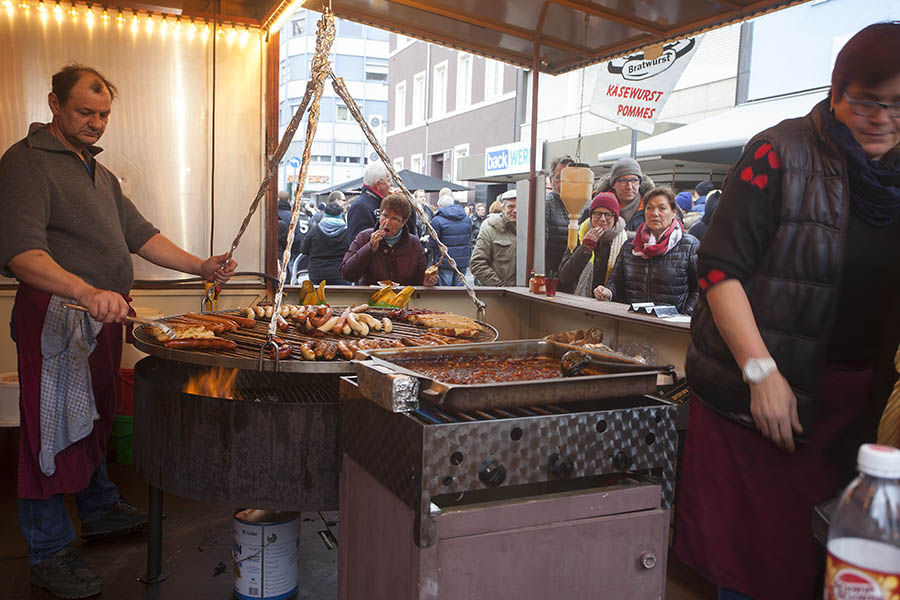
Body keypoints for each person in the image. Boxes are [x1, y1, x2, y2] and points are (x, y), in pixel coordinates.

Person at [675, 23, 900, 600]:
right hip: (764, 405)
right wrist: (760, 370)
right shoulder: (778, 152)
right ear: (836, 90)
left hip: (865, 410)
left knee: (850, 573)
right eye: (868, 100)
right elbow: (720, 269)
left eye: (899, 104)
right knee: (760, 573)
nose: (883, 117)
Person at [0, 64, 237, 598]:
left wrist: (200, 266)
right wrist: (84, 291)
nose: (96, 123)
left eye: (104, 114)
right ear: (54, 104)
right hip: (56, 319)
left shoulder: (98, 174)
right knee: (51, 433)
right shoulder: (27, 163)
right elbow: (22, 253)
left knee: (98, 414)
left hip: (104, 316)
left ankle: (99, 505)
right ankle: (48, 550)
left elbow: (141, 236)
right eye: (85, 112)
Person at [593, 187, 699, 314]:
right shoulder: (630, 246)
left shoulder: (690, 246)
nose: (655, 213)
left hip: (673, 326)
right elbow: (615, 283)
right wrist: (607, 292)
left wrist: (685, 316)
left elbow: (699, 290)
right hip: (633, 322)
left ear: (673, 212)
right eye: (650, 208)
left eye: (662, 208)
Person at [340, 194, 438, 286]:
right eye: (385, 216)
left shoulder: (413, 243)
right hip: (371, 300)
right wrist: (369, 248)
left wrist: (425, 281)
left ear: (403, 222)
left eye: (394, 219)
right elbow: (347, 274)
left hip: (401, 300)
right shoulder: (364, 237)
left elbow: (418, 279)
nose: (387, 223)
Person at [558, 192, 627, 296]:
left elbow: (625, 283)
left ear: (615, 217)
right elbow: (565, 276)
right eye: (597, 213)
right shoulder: (579, 234)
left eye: (608, 214)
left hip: (609, 304)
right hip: (580, 302)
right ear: (591, 215)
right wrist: (586, 247)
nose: (602, 219)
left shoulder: (624, 241)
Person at [346, 162, 415, 244]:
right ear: (379, 184)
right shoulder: (360, 207)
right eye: (389, 181)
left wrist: (405, 204)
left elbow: (410, 232)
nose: (392, 185)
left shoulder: (387, 203)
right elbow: (359, 244)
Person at [584, 157, 657, 234]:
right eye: (623, 181)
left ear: (639, 183)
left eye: (634, 180)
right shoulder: (593, 209)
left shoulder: (651, 209)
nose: (629, 187)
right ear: (613, 184)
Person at [470, 189, 517, 287]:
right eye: (511, 207)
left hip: (526, 294)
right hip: (500, 296)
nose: (515, 210)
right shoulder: (490, 229)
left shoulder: (531, 230)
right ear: (503, 208)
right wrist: (499, 287)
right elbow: (477, 264)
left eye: (519, 206)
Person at [299, 201, 350, 285]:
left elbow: (304, 250)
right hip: (339, 274)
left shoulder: (315, 231)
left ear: (325, 213)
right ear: (340, 214)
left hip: (317, 274)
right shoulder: (347, 232)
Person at [428, 195, 472, 286]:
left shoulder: (437, 220)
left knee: (445, 291)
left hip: (445, 260)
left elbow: (433, 244)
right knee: (459, 291)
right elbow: (469, 238)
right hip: (462, 260)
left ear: (441, 205)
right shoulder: (466, 218)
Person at [544, 155, 575, 276]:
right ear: (551, 180)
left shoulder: (585, 203)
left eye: (570, 177)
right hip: (552, 274)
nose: (565, 181)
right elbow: (541, 246)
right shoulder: (547, 204)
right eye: (559, 177)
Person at [277, 190, 308, 277]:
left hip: (276, 251)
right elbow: (296, 235)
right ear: (288, 200)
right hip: (289, 250)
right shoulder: (292, 215)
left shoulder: (272, 213)